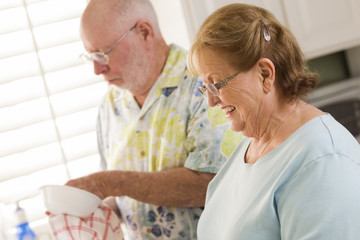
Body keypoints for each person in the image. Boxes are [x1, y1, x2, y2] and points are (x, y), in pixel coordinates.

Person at [65, 0, 243, 239]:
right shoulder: (109, 107)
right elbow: (119, 200)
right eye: (90, 57)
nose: (97, 70)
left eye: (103, 54)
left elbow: (212, 184)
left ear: (145, 33)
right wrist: (90, 215)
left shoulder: (203, 85)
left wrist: (111, 183)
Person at [187, 3, 360, 240]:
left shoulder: (321, 160)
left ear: (265, 74)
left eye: (216, 84)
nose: (210, 101)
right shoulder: (248, 147)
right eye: (203, 87)